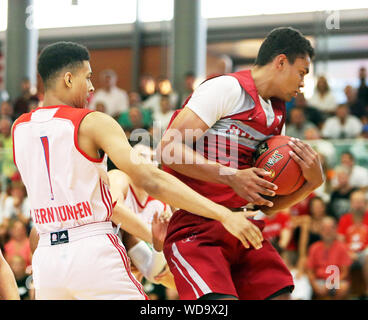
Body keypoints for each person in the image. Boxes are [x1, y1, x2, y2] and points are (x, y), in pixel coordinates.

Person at [12, 41, 267, 300]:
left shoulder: (18, 128)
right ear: (68, 78)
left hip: (46, 256)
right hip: (90, 249)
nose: (91, 87)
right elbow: (151, 179)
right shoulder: (91, 122)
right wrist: (224, 214)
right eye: (87, 77)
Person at [158, 27, 324, 300]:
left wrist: (312, 184)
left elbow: (267, 206)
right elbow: (168, 150)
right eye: (302, 72)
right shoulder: (226, 88)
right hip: (198, 226)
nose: (303, 83)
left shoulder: (276, 114)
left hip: (244, 227)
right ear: (281, 62)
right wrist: (231, 176)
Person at [306, 217, 351, 300]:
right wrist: (314, 285)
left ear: (335, 230)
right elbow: (310, 271)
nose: (328, 231)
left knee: (344, 287)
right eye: (325, 228)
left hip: (336, 281)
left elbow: (345, 272)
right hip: (319, 281)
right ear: (320, 231)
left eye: (331, 228)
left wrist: (330, 284)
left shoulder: (342, 247)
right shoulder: (314, 247)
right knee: (304, 285)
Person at [337, 190, 368, 297]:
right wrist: (348, 252)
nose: (358, 205)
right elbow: (340, 241)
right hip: (349, 254)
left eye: (361, 202)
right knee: (338, 256)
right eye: (355, 202)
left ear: (366, 203)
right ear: (351, 203)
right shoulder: (344, 219)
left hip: (365, 253)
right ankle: (339, 292)